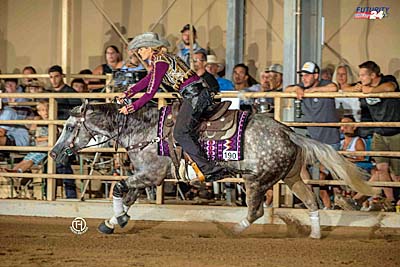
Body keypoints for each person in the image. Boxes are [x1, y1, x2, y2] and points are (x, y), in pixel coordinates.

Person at [118, 32, 229, 182]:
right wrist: (128, 94)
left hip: (194, 96)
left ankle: (208, 168)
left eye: (141, 49)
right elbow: (147, 80)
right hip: (194, 94)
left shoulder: (160, 62)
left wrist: (131, 108)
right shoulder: (162, 60)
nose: (139, 53)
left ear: (150, 48)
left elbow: (150, 92)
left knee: (180, 132)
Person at [285, 61, 339, 209]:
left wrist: (309, 92)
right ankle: (311, 201)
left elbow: (334, 87)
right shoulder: (300, 87)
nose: (304, 78)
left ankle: (327, 205)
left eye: (307, 75)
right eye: (303, 75)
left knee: (321, 175)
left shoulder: (325, 84)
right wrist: (296, 88)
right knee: (299, 167)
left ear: (316, 75)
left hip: (330, 140)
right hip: (313, 141)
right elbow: (286, 89)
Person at [353, 60, 400, 208]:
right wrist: (357, 89)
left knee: (397, 174)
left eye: (363, 75)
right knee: (381, 169)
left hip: (395, 132)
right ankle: (390, 200)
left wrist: (369, 91)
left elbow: (390, 88)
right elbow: (346, 87)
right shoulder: (364, 85)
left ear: (373, 75)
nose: (361, 78)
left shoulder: (388, 80)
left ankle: (359, 198)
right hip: (378, 133)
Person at [48, 65, 81, 198]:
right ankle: (49, 195)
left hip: (70, 137)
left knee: (63, 159)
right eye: (51, 77)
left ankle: (70, 195)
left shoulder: (70, 93)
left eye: (56, 76)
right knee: (51, 160)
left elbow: (78, 114)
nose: (54, 80)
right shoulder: (49, 93)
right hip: (53, 135)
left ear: (61, 76)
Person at [5, 101, 49, 173]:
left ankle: (18, 171)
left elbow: (38, 138)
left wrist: (48, 138)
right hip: (37, 147)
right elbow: (34, 135)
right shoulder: (39, 123)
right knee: (26, 159)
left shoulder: (54, 123)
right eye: (43, 110)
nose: (46, 112)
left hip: (44, 149)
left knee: (31, 160)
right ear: (39, 112)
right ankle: (13, 170)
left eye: (47, 109)